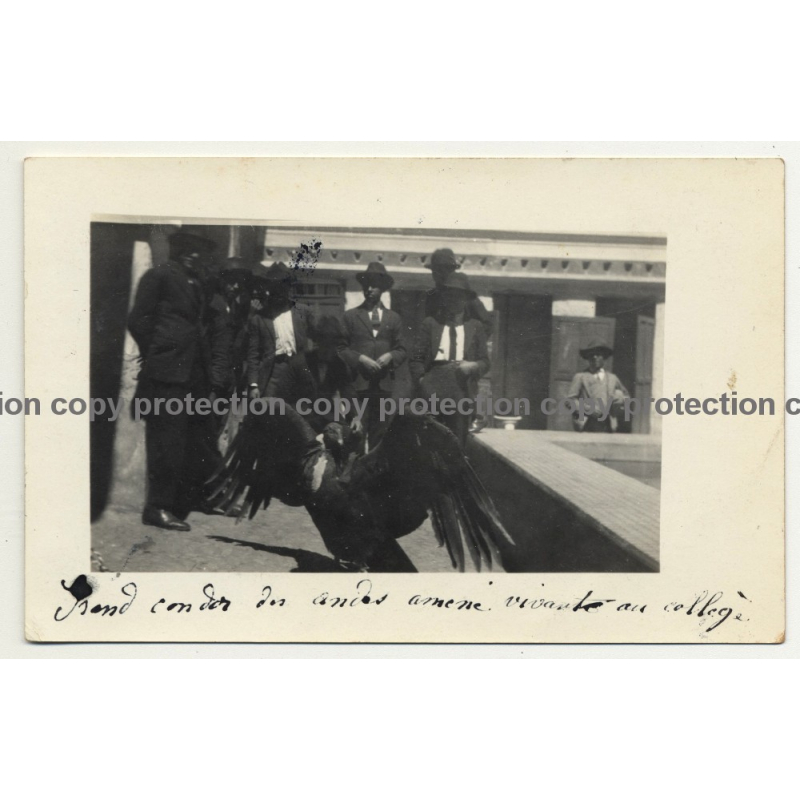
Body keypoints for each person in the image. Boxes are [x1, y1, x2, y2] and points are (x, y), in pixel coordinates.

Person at [128, 228, 223, 531]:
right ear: (185, 253)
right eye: (200, 254)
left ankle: (191, 498)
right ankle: (157, 508)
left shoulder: (195, 282)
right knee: (166, 446)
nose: (204, 260)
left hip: (192, 378)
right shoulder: (160, 276)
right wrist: (159, 351)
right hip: (166, 376)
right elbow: (138, 320)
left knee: (199, 442)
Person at [410, 272, 489, 447]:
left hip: (461, 388)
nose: (454, 300)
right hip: (432, 386)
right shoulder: (430, 323)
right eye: (450, 295)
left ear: (466, 299)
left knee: (456, 443)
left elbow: (486, 361)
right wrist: (423, 382)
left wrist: (473, 366)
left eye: (459, 296)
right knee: (429, 442)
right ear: (444, 297)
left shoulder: (475, 326)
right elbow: (415, 359)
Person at [339, 262, 406, 449]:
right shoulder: (350, 316)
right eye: (366, 284)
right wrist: (360, 359)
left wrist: (390, 356)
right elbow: (341, 349)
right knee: (356, 436)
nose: (369, 289)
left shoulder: (394, 318)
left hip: (383, 390)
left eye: (374, 285)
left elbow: (402, 350)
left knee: (380, 439)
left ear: (383, 288)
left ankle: (374, 478)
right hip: (358, 388)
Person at [245, 261, 315, 406]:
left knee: (300, 412)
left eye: (283, 285)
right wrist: (253, 385)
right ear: (268, 288)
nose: (279, 290)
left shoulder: (303, 312)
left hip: (299, 369)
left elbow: (317, 337)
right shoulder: (259, 318)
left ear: (289, 287)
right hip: (273, 372)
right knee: (270, 413)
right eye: (274, 286)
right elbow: (253, 355)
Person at [424, 248, 493, 336]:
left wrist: (469, 342)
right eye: (434, 270)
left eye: (442, 270)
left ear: (451, 271)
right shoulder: (431, 296)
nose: (437, 274)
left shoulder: (463, 294)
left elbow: (487, 325)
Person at [567, 340, 630, 433]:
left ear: (604, 357)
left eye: (598, 354)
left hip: (608, 423)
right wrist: (589, 409)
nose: (595, 357)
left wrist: (618, 401)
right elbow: (570, 401)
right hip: (587, 422)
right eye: (591, 355)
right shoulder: (580, 377)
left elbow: (626, 397)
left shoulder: (612, 378)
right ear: (587, 358)